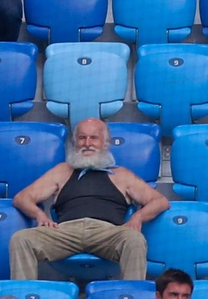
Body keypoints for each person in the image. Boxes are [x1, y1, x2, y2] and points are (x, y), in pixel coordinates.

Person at [9, 117, 170, 281]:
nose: (87, 143)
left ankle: (131, 296)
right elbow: (22, 198)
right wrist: (39, 215)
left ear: (105, 143)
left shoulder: (121, 174)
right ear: (75, 143)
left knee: (135, 240)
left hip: (108, 232)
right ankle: (21, 296)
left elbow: (160, 201)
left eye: (94, 138)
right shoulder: (62, 171)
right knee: (21, 239)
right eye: (82, 138)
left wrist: (138, 217)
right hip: (65, 232)